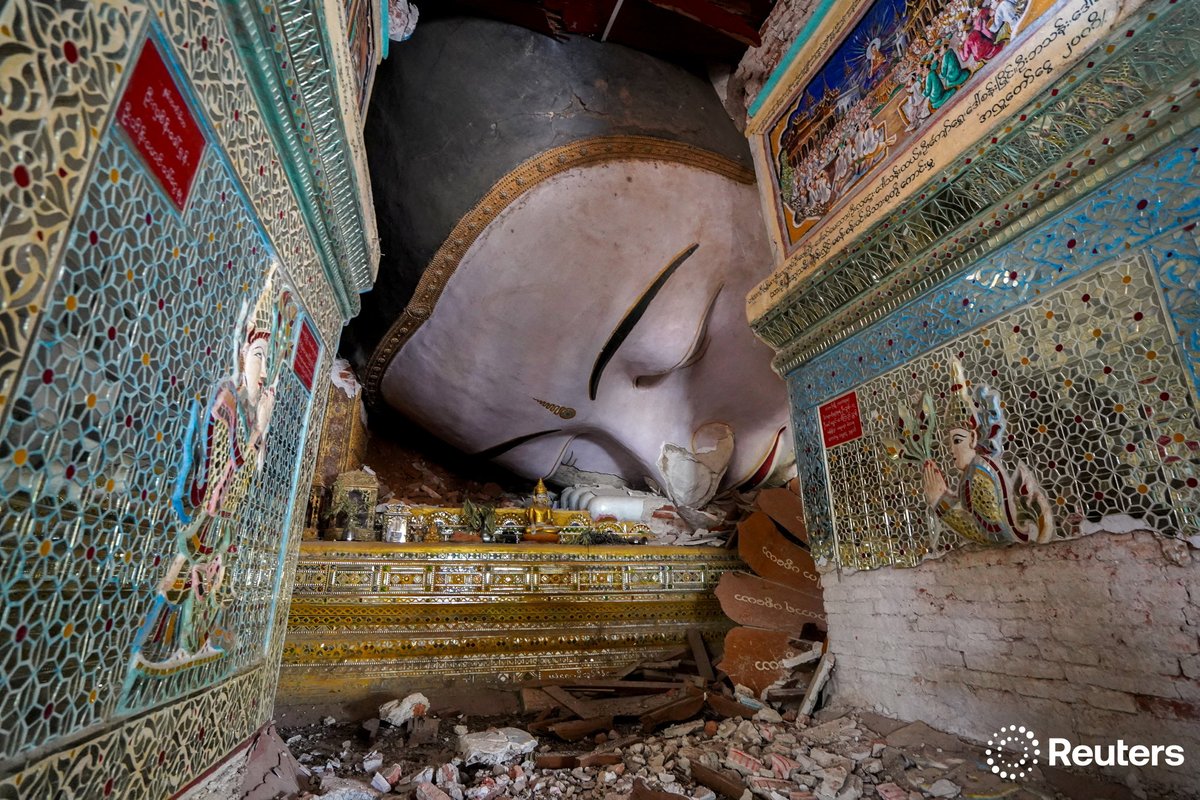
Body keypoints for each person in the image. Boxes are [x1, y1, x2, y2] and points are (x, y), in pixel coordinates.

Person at [126, 271, 297, 679]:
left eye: (268, 368)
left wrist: (261, 430)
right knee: (191, 578)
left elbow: (250, 475)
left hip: (225, 520)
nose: (262, 376)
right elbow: (223, 470)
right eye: (258, 359)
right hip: (210, 512)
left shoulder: (257, 412)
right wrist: (257, 429)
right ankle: (172, 646)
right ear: (242, 356)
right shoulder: (226, 404)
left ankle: (196, 643)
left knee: (212, 583)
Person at [920, 360, 1054, 545]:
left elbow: (995, 536)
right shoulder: (973, 471)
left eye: (957, 440)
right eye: (950, 442)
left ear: (973, 439)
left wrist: (941, 502)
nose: (951, 449)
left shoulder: (978, 474)